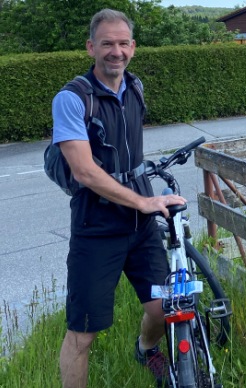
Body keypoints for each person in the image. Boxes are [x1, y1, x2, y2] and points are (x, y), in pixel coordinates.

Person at [52, 9, 186, 388]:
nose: (116, 51)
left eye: (123, 43)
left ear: (133, 48)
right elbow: (83, 170)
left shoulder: (135, 88)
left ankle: (145, 349)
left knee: (164, 308)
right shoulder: (72, 99)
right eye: (107, 43)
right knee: (84, 332)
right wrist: (142, 201)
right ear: (91, 47)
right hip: (96, 228)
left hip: (140, 226)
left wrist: (150, 201)